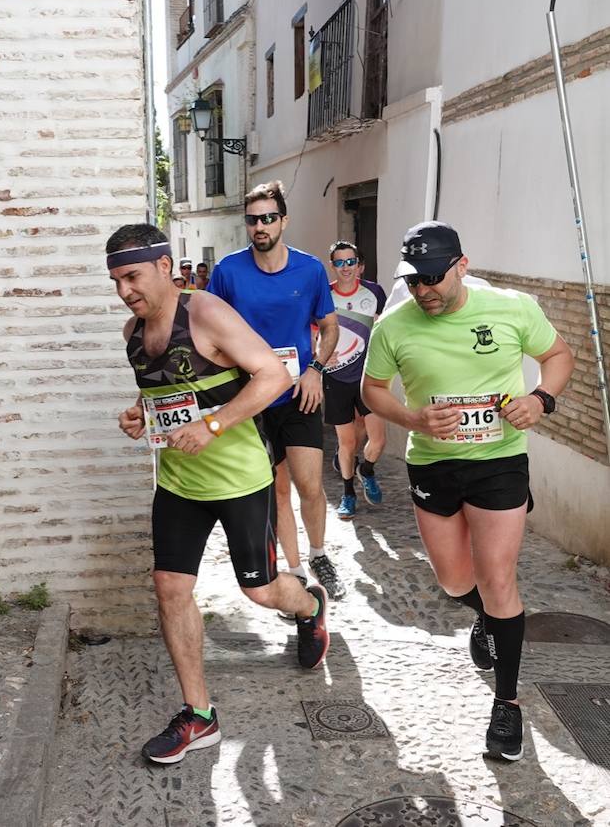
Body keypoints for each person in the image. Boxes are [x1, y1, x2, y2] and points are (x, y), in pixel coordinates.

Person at [108, 223, 331, 765]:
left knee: (258, 590)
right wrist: (143, 416)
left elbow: (273, 376)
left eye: (132, 276)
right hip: (181, 484)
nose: (125, 291)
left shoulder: (205, 313)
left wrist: (212, 426)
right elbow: (169, 397)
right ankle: (200, 715)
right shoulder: (131, 334)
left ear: (164, 267)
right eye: (115, 281)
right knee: (169, 586)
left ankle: (308, 605)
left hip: (239, 481)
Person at [362, 221, 574, 762]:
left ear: (462, 265)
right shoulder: (395, 326)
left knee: (498, 578)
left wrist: (541, 400)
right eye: (413, 281)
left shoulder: (512, 308)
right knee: (455, 580)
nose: (423, 290)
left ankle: (507, 704)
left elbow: (559, 357)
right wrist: (414, 418)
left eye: (432, 277)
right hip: (433, 464)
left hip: (499, 460)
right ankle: (485, 617)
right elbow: (371, 390)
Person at [207, 180, 346, 601]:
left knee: (311, 485)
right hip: (252, 399)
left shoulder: (309, 269)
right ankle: (297, 569)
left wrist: (316, 370)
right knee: (277, 490)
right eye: (252, 220)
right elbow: (210, 329)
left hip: (299, 395)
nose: (260, 226)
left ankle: (319, 553)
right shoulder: (228, 271)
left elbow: (330, 325)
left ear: (283, 221)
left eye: (268, 218)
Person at [322, 241, 387, 519]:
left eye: (350, 261)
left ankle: (367, 470)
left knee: (379, 440)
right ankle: (348, 494)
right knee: (346, 444)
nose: (346, 267)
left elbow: (387, 328)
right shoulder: (324, 296)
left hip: (369, 377)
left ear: (359, 264)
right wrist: (320, 355)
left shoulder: (374, 292)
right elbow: (312, 330)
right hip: (336, 379)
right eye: (340, 262)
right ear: (332, 266)